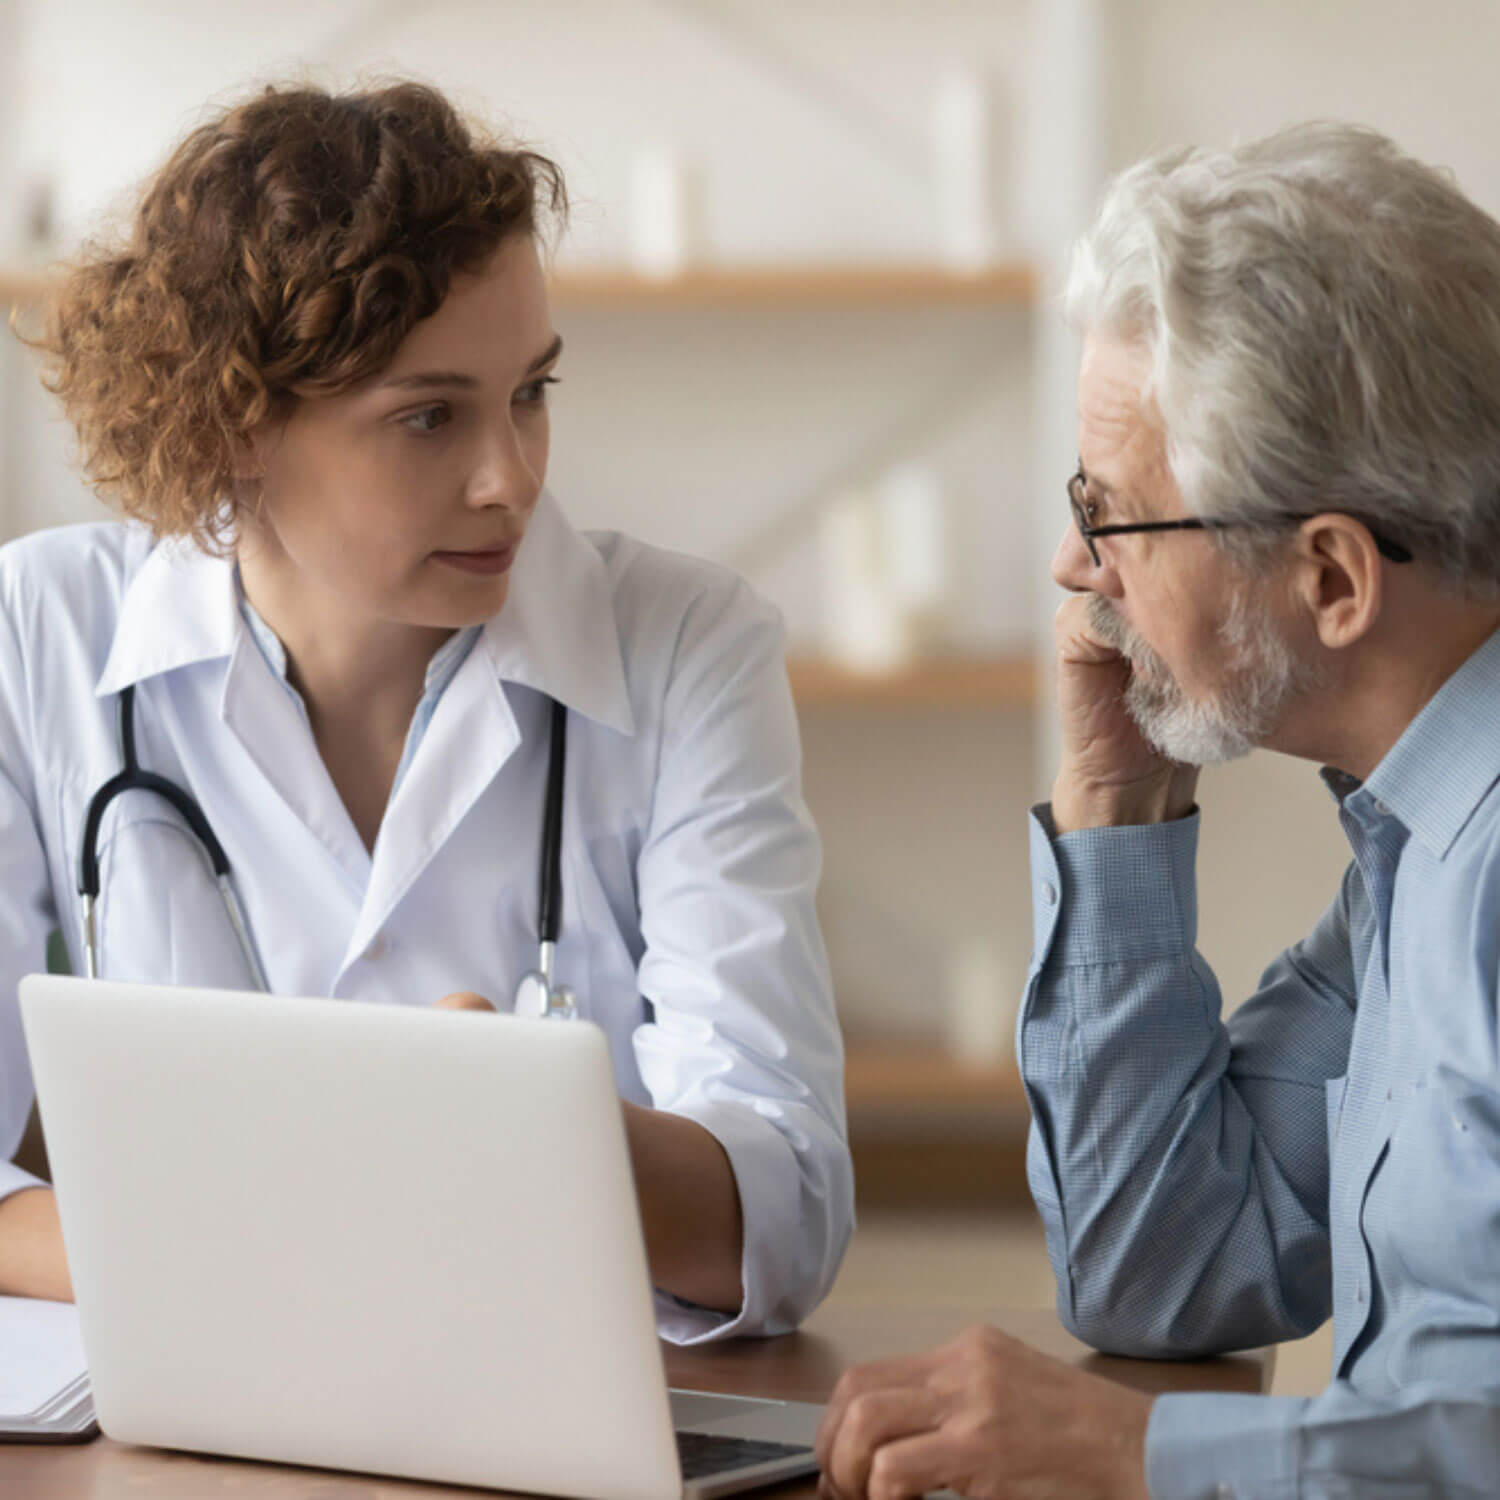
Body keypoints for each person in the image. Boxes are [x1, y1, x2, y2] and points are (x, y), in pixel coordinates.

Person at [0, 81, 852, 1345]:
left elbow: (783, 1213)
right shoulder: (36, 633)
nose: (509, 476)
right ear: (236, 422)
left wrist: (537, 1133)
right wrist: (308, 1233)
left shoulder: (686, 647)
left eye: (532, 394)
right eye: (429, 416)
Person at [816, 122, 1500, 1498]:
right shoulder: (1414, 847)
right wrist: (1117, 811)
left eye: (1113, 512)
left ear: (1331, 580)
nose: (1077, 567)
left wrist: (1128, 1451)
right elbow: (1166, 1268)